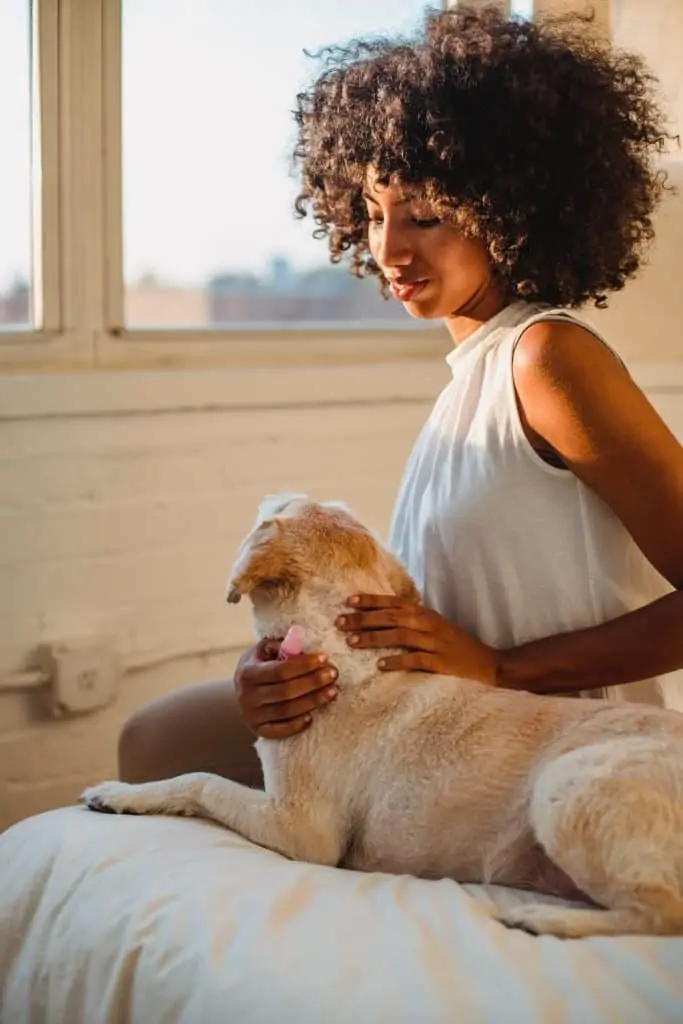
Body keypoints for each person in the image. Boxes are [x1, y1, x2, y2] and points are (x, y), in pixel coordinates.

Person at [118, 5, 683, 789]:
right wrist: (283, 668)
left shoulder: (549, 360)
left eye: (425, 217)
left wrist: (499, 667)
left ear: (513, 211)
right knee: (155, 738)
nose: (388, 249)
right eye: (375, 214)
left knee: (162, 751)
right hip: (438, 709)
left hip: (542, 738)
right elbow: (425, 612)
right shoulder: (467, 379)